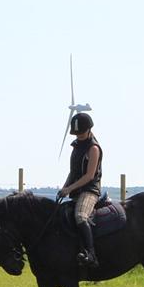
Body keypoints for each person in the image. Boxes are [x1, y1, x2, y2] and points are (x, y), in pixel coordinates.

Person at [57, 112, 102, 267]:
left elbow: (89, 176)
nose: (79, 136)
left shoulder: (93, 149)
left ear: (89, 130)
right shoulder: (76, 147)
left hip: (89, 191)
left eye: (81, 133)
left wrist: (69, 188)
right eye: (76, 134)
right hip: (75, 190)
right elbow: (73, 172)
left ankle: (91, 253)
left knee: (81, 216)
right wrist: (64, 187)